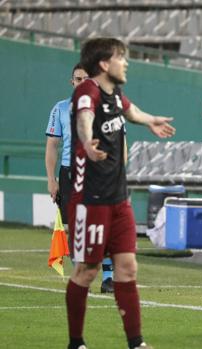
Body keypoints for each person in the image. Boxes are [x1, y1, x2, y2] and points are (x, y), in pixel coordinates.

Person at [66, 38, 175, 349]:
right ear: (104, 64)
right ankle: (76, 343)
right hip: (90, 199)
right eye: (121, 58)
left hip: (118, 199)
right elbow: (85, 118)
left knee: (127, 268)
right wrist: (87, 143)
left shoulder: (115, 94)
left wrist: (150, 120)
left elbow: (130, 110)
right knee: (86, 271)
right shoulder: (87, 91)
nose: (125, 63)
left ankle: (136, 343)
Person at [45, 63, 115, 294]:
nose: (82, 83)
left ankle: (108, 278)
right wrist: (51, 179)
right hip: (69, 173)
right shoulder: (60, 109)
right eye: (78, 79)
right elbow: (52, 145)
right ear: (72, 82)